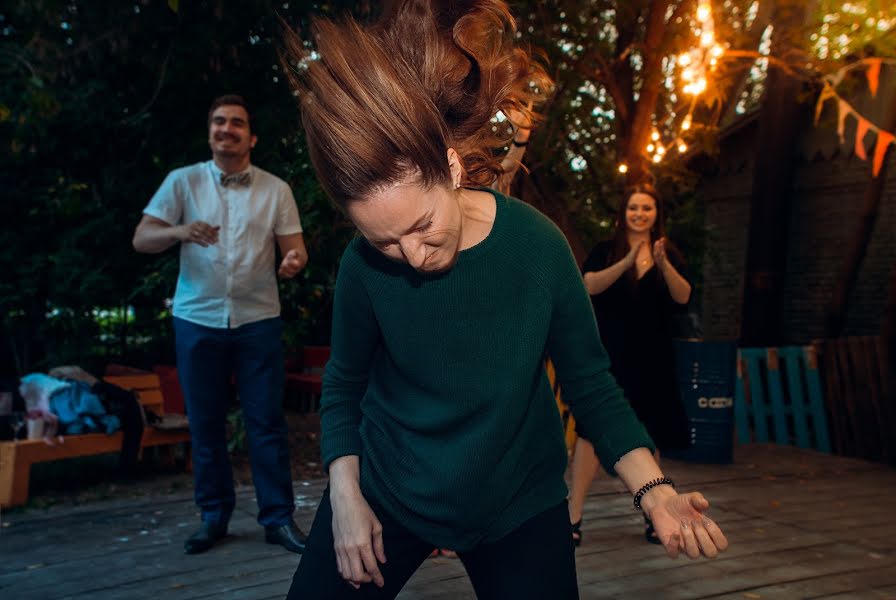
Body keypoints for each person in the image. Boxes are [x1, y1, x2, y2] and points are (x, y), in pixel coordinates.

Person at [282, 1, 727, 597]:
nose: (412, 254)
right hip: (395, 487)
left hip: (518, 499)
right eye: (385, 241)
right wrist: (345, 496)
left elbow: (591, 386)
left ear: (450, 165)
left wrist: (656, 493)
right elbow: (343, 385)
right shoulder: (363, 268)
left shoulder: (538, 249)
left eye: (419, 227)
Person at [132, 94, 310, 555]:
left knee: (266, 422)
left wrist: (292, 261)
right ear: (210, 132)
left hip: (258, 320)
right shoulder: (182, 182)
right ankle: (213, 517)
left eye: (236, 122)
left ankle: (278, 519)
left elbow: (296, 250)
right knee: (205, 423)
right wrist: (179, 231)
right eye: (218, 121)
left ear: (251, 137)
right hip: (198, 318)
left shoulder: (276, 190)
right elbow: (142, 239)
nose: (226, 128)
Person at [568, 183, 693, 547]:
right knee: (592, 434)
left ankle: (657, 514)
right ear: (624, 214)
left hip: (653, 359)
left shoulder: (668, 252)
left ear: (657, 214)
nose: (640, 214)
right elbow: (589, 285)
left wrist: (662, 262)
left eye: (647, 208)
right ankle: (573, 516)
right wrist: (626, 261)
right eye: (634, 208)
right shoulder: (606, 250)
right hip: (612, 355)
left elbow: (683, 296)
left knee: (649, 432)